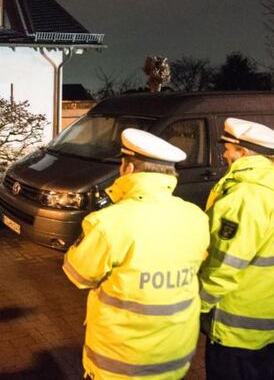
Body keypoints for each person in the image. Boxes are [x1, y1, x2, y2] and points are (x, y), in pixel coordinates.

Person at [63, 128, 209, 380]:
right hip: (175, 355)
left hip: (121, 364)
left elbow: (78, 275)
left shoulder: (108, 222)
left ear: (128, 169)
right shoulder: (196, 216)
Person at [199, 117, 274, 380]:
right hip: (272, 315)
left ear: (243, 152)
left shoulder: (245, 197)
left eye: (228, 148)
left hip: (237, 326)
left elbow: (223, 267)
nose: (224, 154)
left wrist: (195, 306)